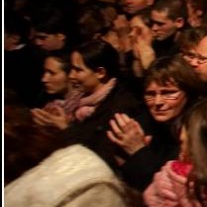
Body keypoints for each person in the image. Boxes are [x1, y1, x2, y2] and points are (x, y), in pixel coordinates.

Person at [5, 105, 145, 207]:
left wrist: (139, 154)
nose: (158, 102)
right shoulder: (85, 169)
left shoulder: (88, 185)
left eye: (167, 92)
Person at [31, 40, 141, 170]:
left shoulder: (120, 107)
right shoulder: (78, 100)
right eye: (71, 68)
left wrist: (66, 129)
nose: (71, 76)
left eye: (78, 70)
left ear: (100, 72)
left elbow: (100, 159)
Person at [108, 55, 207, 190]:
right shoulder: (140, 124)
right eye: (150, 94)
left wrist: (138, 151)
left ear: (188, 93)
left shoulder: (201, 126)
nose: (158, 102)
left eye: (168, 93)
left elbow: (168, 189)